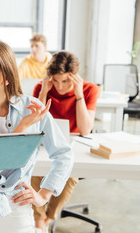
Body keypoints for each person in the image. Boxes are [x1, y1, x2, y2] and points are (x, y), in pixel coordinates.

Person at [0, 40, 74, 233]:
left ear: (5, 77)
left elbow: (63, 155)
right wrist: (23, 127)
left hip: (15, 206)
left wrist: (43, 196)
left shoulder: (33, 108)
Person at [32, 50, 98, 232]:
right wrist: (44, 92)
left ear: (75, 77)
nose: (60, 87)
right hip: (46, 144)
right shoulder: (42, 87)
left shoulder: (89, 89)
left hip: (74, 147)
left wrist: (79, 95)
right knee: (33, 171)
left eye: (66, 81)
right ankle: (39, 221)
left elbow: (85, 130)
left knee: (68, 175)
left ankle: (47, 218)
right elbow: (34, 126)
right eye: (56, 80)